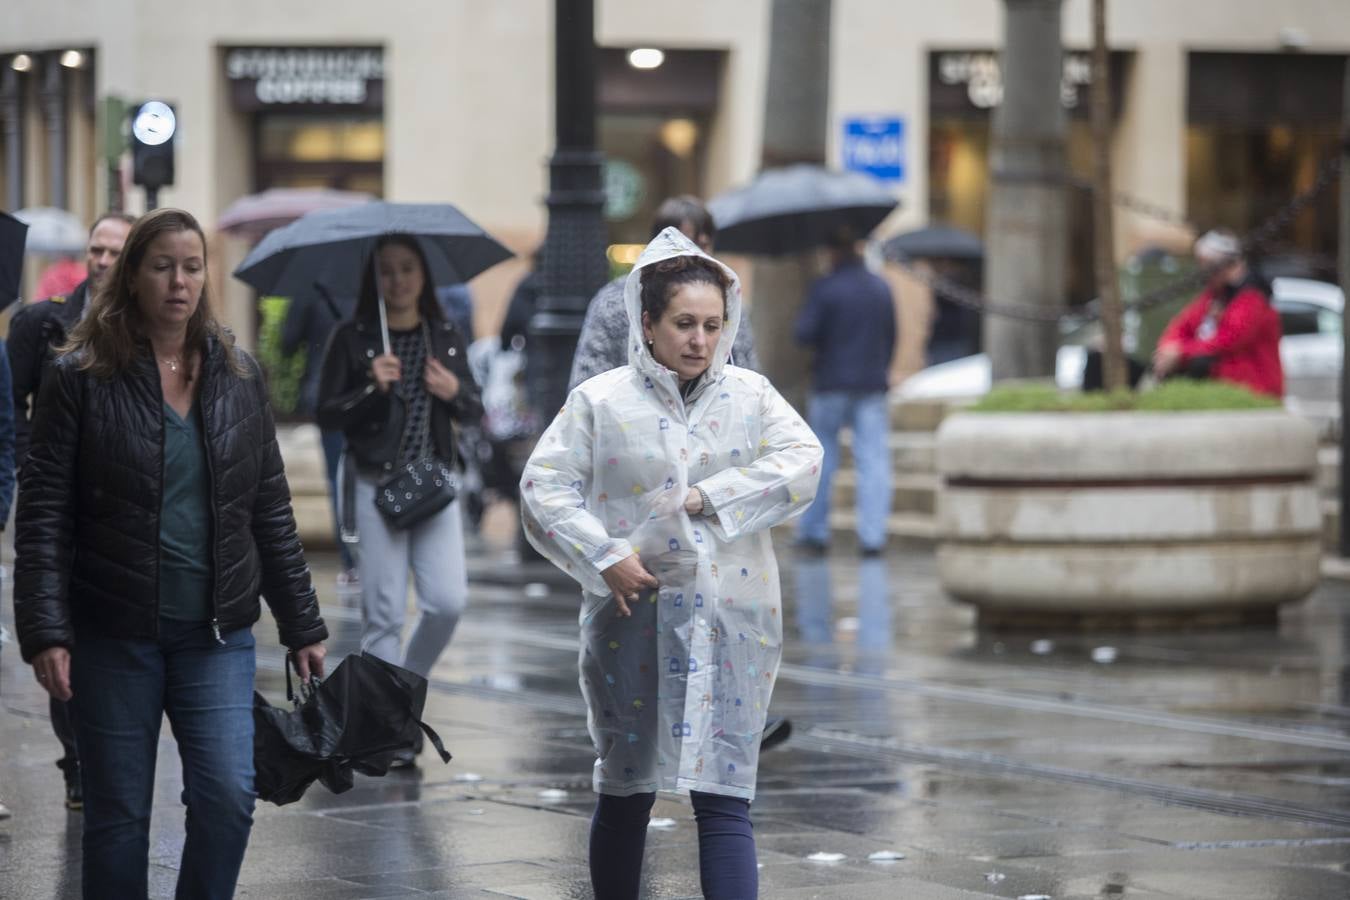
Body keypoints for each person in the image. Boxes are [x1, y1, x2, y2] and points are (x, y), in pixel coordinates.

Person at [13, 208, 328, 900]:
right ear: (132, 277)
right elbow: (42, 514)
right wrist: (45, 630)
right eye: (162, 267)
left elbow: (270, 508)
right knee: (118, 818)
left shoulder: (237, 376)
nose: (179, 282)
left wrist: (302, 624)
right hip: (112, 634)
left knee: (226, 798)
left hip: (213, 636)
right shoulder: (79, 376)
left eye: (191, 267)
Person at [521, 228, 822, 900]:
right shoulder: (601, 402)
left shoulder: (750, 396)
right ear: (647, 322)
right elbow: (543, 487)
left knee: (724, 792)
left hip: (732, 619)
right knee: (626, 785)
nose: (700, 340)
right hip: (631, 619)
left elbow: (803, 462)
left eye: (713, 325)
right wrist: (606, 556)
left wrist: (710, 495)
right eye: (684, 323)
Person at [316, 234, 482, 764]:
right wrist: (371, 386)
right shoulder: (353, 337)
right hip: (374, 484)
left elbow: (476, 409)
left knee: (447, 602)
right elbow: (327, 412)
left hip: (433, 488)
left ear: (423, 276)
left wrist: (453, 392)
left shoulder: (445, 335)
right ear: (375, 279)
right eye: (387, 271)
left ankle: (401, 698)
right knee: (383, 615)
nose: (398, 280)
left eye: (407, 269)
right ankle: (390, 734)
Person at [7, 209, 134, 812]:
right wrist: (35, 464)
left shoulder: (150, 327)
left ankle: (106, 750)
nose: (103, 260)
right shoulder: (42, 322)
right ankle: (76, 757)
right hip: (60, 502)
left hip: (121, 507)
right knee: (62, 632)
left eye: (115, 251)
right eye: (97, 249)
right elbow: (13, 410)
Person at [568, 195, 760, 392]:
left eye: (701, 245)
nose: (692, 253)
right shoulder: (613, 301)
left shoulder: (729, 302)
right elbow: (587, 381)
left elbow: (747, 375)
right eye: (682, 242)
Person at [793, 228, 897, 558]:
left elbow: (803, 333)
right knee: (874, 460)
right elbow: (891, 336)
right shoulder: (881, 287)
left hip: (830, 383)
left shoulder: (826, 288)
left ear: (832, 251)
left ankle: (814, 533)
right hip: (871, 383)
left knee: (822, 459)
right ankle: (873, 536)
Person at [281, 281, 359, 585]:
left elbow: (288, 341)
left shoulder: (311, 287)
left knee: (338, 478)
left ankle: (352, 562)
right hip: (373, 392)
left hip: (328, 393)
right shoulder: (373, 283)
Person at [1153, 228, 1283, 398]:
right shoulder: (1213, 296)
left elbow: (1229, 340)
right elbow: (1182, 325)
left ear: (1224, 265)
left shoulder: (1253, 298)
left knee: (1199, 363)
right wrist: (1168, 349)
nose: (1203, 272)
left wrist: (1181, 353)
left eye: (1207, 266)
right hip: (1223, 385)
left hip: (1253, 387)